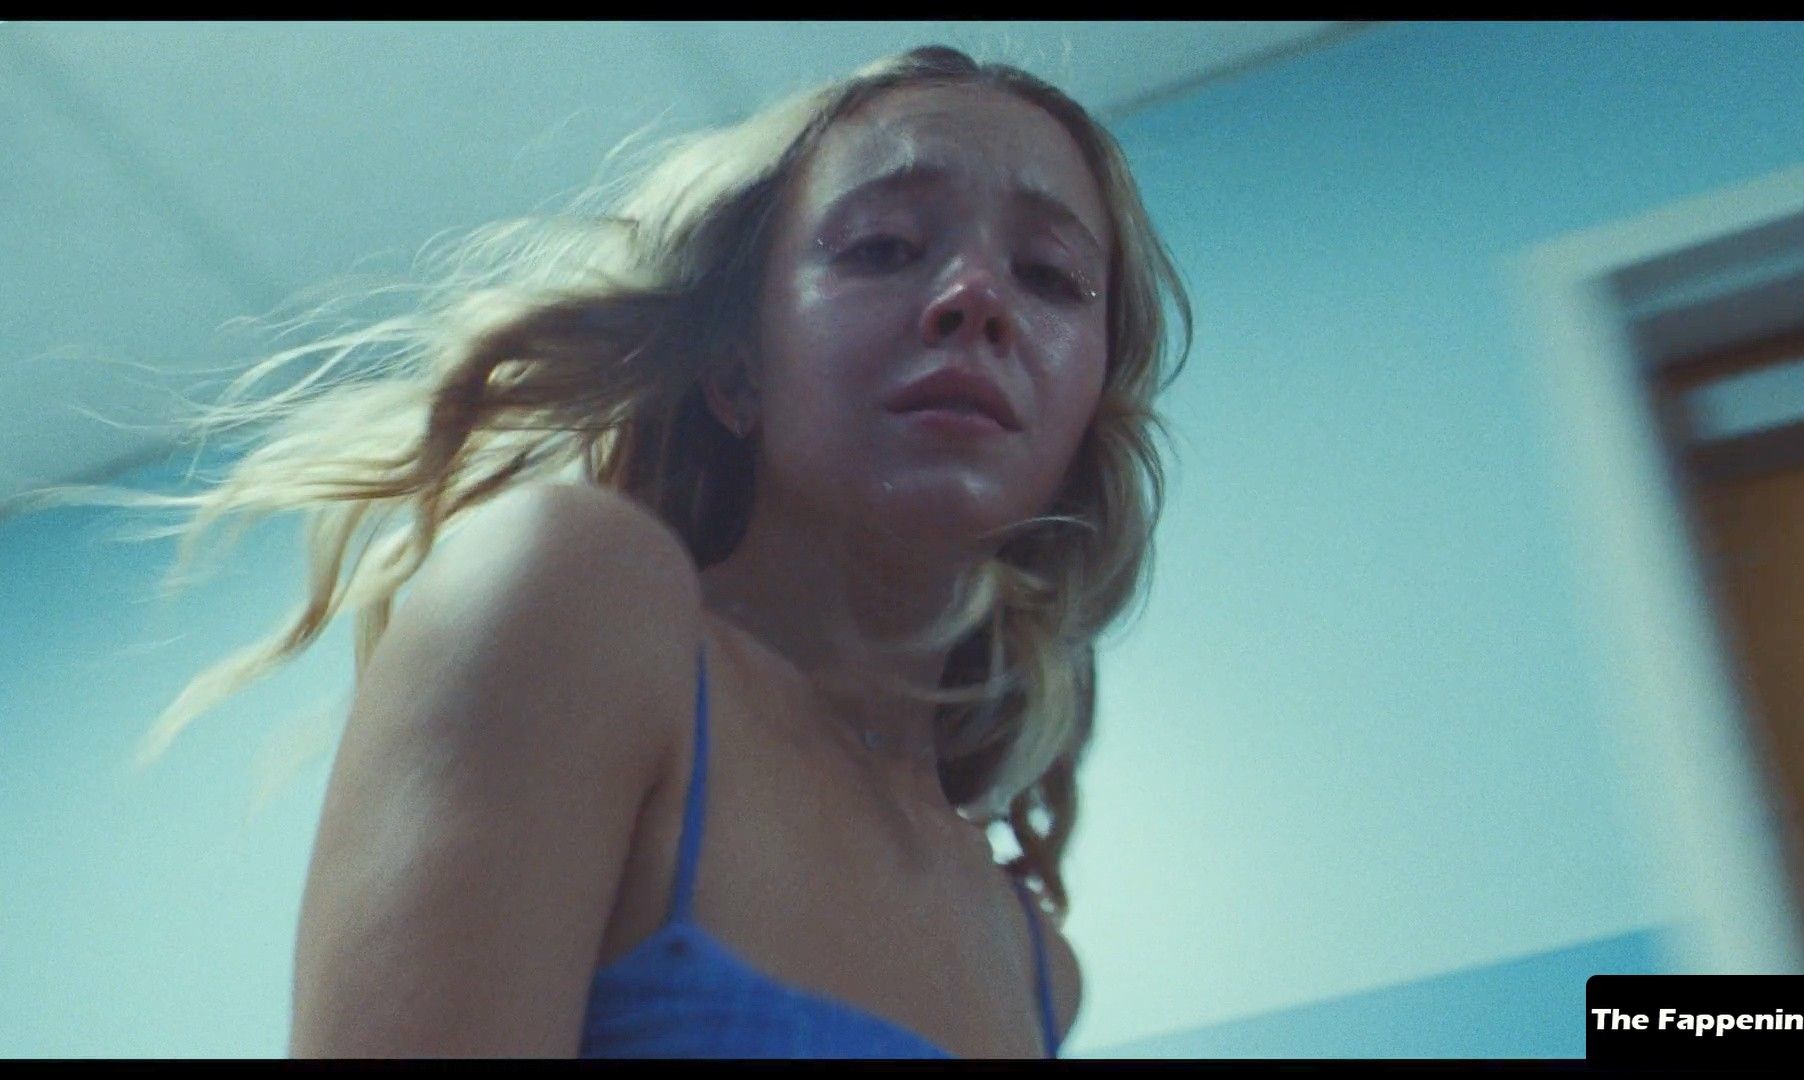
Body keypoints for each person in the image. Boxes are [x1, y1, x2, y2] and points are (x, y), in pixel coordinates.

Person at [26, 43, 1189, 1058]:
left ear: (1088, 410)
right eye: (883, 245)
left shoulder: (1036, 963)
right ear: (736, 369)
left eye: (1050, 276)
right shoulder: (579, 590)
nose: (977, 296)